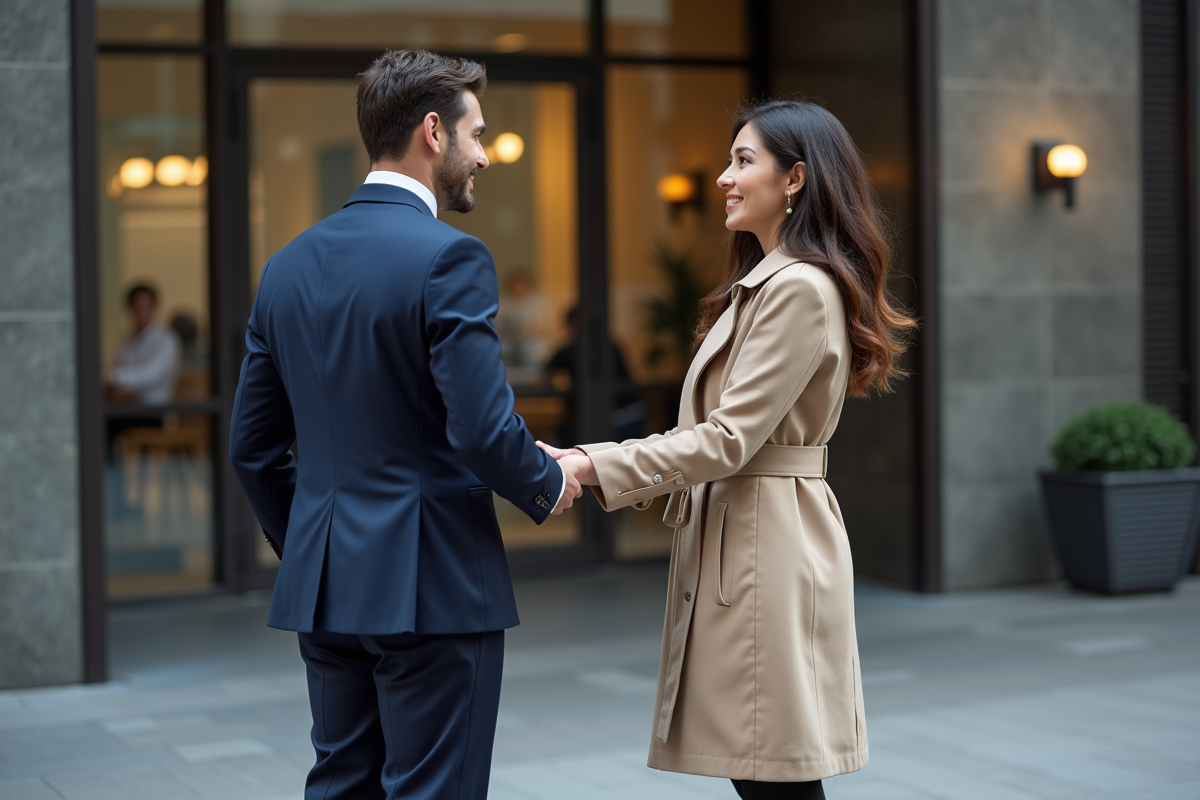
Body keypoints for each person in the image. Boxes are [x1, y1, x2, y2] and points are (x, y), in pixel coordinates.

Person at [228, 49, 585, 800]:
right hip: (433, 586)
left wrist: (312, 546)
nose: (484, 156)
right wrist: (550, 483)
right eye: (477, 134)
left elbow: (252, 449)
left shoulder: (286, 267)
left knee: (341, 785)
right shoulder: (451, 258)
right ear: (433, 132)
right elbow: (483, 430)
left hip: (327, 590)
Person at [541, 99, 916, 799]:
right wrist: (592, 461)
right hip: (745, 534)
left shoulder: (797, 288)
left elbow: (728, 437)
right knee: (761, 770)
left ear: (796, 179)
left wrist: (593, 465)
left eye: (744, 161)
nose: (723, 177)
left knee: (772, 772)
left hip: (763, 544)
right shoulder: (768, 284)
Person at [105, 283, 181, 406]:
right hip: (123, 406)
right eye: (137, 307)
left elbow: (151, 374)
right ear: (129, 309)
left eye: (146, 307)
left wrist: (114, 377)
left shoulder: (166, 340)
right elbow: (115, 365)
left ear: (154, 308)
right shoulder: (124, 339)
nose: (142, 313)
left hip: (150, 410)